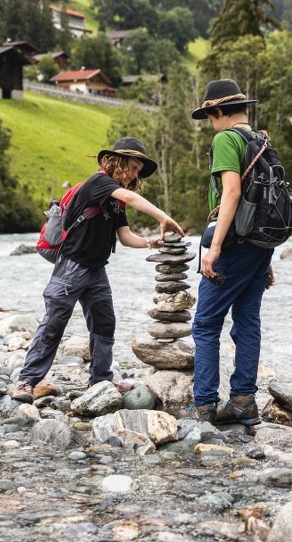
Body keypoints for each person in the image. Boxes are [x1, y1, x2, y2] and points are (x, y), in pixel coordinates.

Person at [10, 137, 185, 402]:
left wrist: (151, 243)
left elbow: (125, 237)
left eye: (139, 170)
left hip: (96, 271)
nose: (135, 174)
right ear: (118, 161)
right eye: (134, 167)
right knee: (54, 324)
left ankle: (101, 381)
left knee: (105, 324)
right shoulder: (98, 182)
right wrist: (163, 217)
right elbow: (129, 195)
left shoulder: (117, 201)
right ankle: (27, 381)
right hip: (71, 266)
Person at [181, 79, 275, 425]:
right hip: (259, 245)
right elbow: (268, 201)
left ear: (218, 110)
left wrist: (215, 246)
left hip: (233, 244)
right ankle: (243, 401)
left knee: (206, 324)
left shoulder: (226, 138)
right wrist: (266, 258)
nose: (210, 122)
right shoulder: (261, 140)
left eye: (209, 115)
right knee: (247, 322)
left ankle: (204, 405)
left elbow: (232, 194)